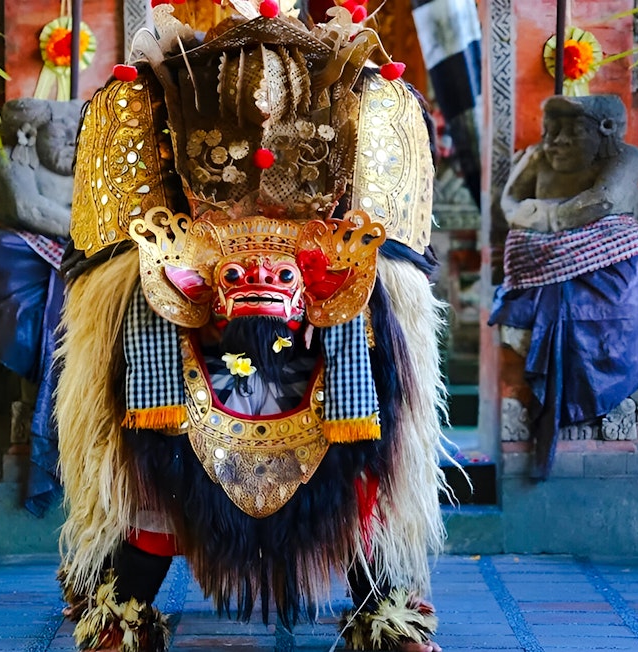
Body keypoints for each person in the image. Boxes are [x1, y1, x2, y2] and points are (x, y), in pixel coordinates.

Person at [54, 2, 452, 651]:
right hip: (195, 311)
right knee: (155, 460)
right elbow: (125, 242)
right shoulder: (152, 92)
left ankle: (383, 605)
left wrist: (335, 282)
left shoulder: (366, 91)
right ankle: (122, 601)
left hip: (318, 315)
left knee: (361, 453)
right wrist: (172, 273)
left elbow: (386, 242)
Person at [490, 94, 638, 479]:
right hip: (538, 260)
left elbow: (603, 200)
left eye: (574, 131)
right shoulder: (537, 157)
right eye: (552, 130)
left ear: (605, 131)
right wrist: (531, 219)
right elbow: (509, 203)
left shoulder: (625, 157)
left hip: (609, 263)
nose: (558, 140)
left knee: (602, 307)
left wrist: (545, 218)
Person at [0, 98, 81, 515]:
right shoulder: (13, 161)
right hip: (28, 261)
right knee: (33, 318)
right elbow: (27, 208)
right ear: (32, 133)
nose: (73, 141)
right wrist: (86, 229)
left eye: (79, 132)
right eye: (63, 132)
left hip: (79, 256)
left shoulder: (92, 163)